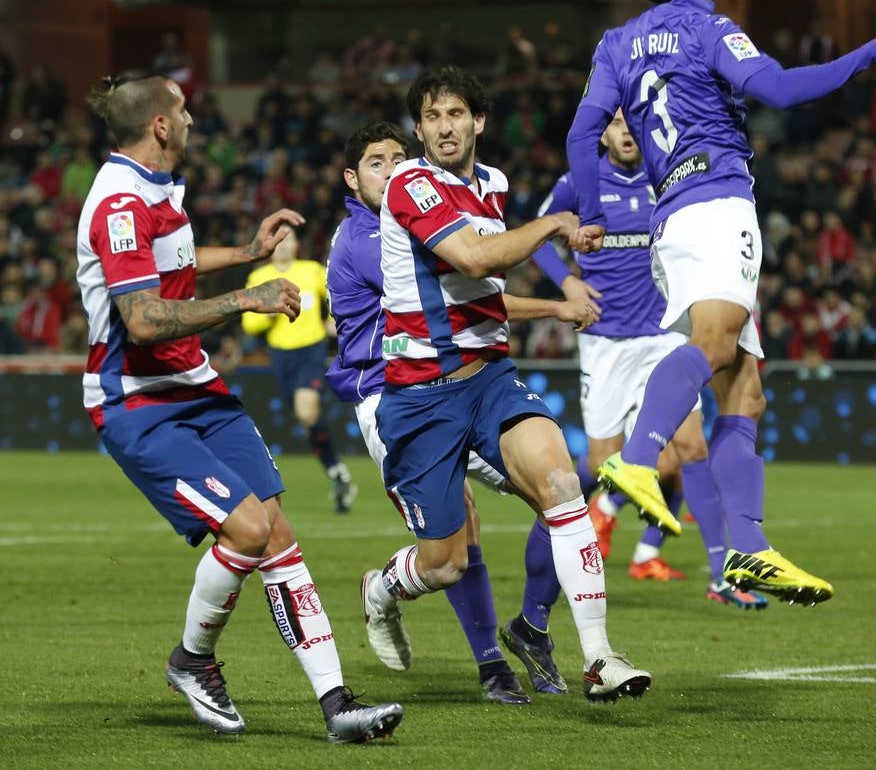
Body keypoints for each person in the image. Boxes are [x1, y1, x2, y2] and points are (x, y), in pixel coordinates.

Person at [565, 0, 876, 604]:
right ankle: (638, 462)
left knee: (746, 390)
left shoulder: (616, 43)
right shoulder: (703, 22)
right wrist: (870, 50)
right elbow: (780, 89)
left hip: (675, 215)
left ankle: (748, 552)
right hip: (716, 203)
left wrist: (596, 214)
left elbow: (582, 133)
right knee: (716, 344)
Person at [76, 70, 402, 743]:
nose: (195, 120)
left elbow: (175, 261)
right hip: (137, 400)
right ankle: (192, 661)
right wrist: (246, 298)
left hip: (195, 385)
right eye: (186, 110)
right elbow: (139, 318)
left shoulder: (155, 187)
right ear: (160, 125)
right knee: (249, 532)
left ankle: (337, 705)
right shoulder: (117, 202)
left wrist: (247, 254)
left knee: (276, 531)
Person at [361, 66, 651, 702]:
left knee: (562, 484)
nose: (444, 127)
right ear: (419, 129)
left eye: (456, 114)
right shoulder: (411, 183)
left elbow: (483, 293)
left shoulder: (491, 185)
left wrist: (551, 305)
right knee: (445, 562)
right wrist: (554, 224)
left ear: (478, 122)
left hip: (490, 380)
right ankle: (382, 589)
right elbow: (472, 258)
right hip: (420, 397)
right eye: (432, 117)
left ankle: (598, 656)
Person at [326, 120, 597, 700]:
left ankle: (532, 629)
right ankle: (400, 602)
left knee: (559, 494)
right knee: (452, 546)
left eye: (400, 157)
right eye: (377, 161)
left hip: (465, 386)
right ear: (352, 179)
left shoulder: (426, 209)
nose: (394, 169)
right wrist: (552, 303)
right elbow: (471, 283)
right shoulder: (366, 238)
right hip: (393, 397)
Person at [533, 109, 766, 608]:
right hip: (603, 341)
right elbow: (536, 239)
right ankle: (592, 528)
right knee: (600, 464)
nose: (625, 132)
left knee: (692, 448)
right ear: (604, 132)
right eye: (615, 123)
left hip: (663, 334)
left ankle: (724, 576)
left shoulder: (670, 176)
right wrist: (569, 282)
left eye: (631, 122)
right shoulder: (580, 181)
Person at [242, 225, 356, 513]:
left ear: (296, 245)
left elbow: (335, 294)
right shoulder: (259, 277)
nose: (282, 245)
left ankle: (336, 471)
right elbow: (249, 324)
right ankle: (336, 471)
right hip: (280, 354)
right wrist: (269, 311)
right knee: (306, 420)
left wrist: (334, 320)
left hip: (311, 349)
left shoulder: (311, 270)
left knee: (306, 411)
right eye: (278, 240)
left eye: (288, 239)